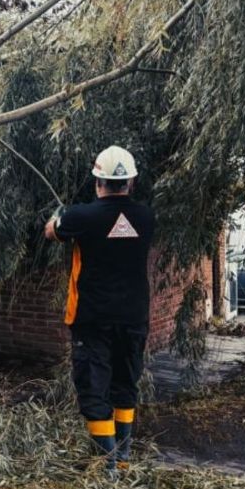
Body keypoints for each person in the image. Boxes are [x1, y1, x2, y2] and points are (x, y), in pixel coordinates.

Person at [44, 145, 155, 472]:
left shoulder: (82, 217)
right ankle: (121, 460)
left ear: (98, 182)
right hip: (134, 317)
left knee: (94, 388)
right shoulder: (146, 218)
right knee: (125, 385)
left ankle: (105, 469)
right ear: (131, 183)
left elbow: (52, 232)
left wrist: (58, 217)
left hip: (92, 319)